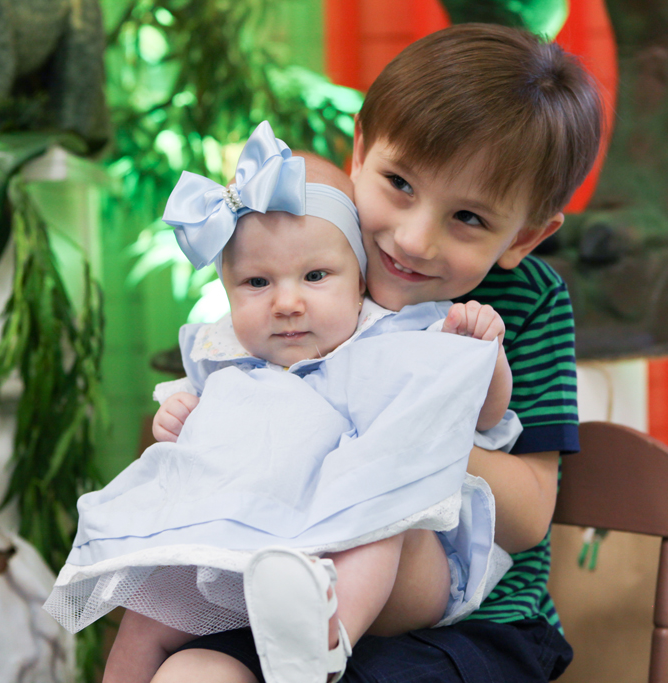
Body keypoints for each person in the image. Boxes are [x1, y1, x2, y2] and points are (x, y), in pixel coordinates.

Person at [155, 23, 603, 683]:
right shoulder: (310, 261)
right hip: (295, 590)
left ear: (525, 236)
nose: (414, 239)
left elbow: (529, 517)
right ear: (362, 148)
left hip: (475, 624)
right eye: (399, 182)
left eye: (469, 218)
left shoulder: (523, 303)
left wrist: (378, 432)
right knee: (192, 671)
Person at [43, 122, 521, 683]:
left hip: (398, 571)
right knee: (149, 614)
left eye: (315, 276)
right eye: (256, 283)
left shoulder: (394, 335)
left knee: (376, 505)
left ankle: (325, 639)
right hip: (262, 550)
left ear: (360, 280)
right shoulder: (228, 357)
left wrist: (484, 353)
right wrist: (182, 420)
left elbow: (485, 416)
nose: (287, 302)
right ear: (225, 288)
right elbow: (204, 433)